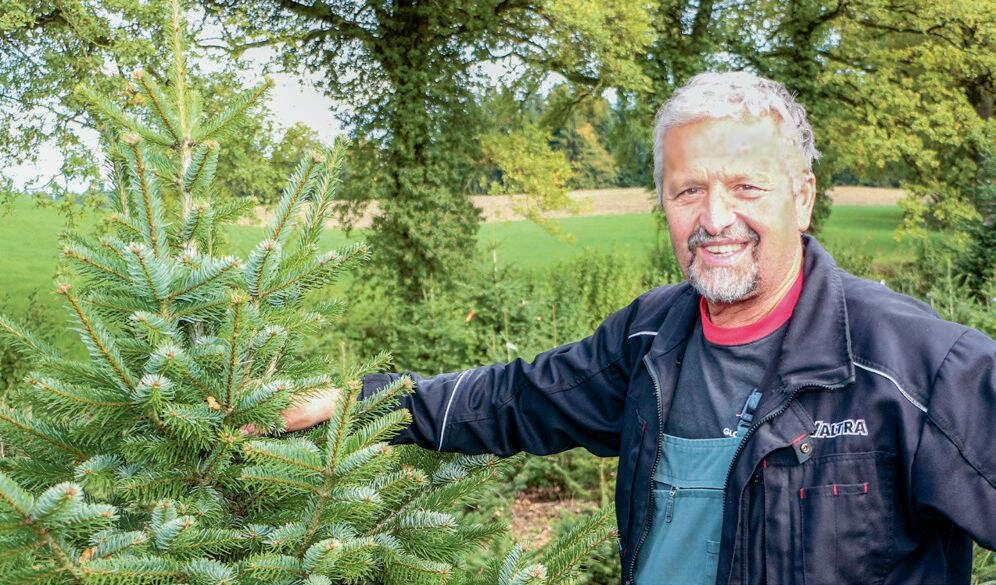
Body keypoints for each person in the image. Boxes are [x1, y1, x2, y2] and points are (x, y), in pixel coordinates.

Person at [279, 72, 996, 584]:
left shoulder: (915, 365)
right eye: (689, 190)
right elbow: (518, 397)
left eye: (746, 187)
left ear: (802, 197)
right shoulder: (651, 338)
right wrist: (363, 403)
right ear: (665, 201)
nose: (715, 219)